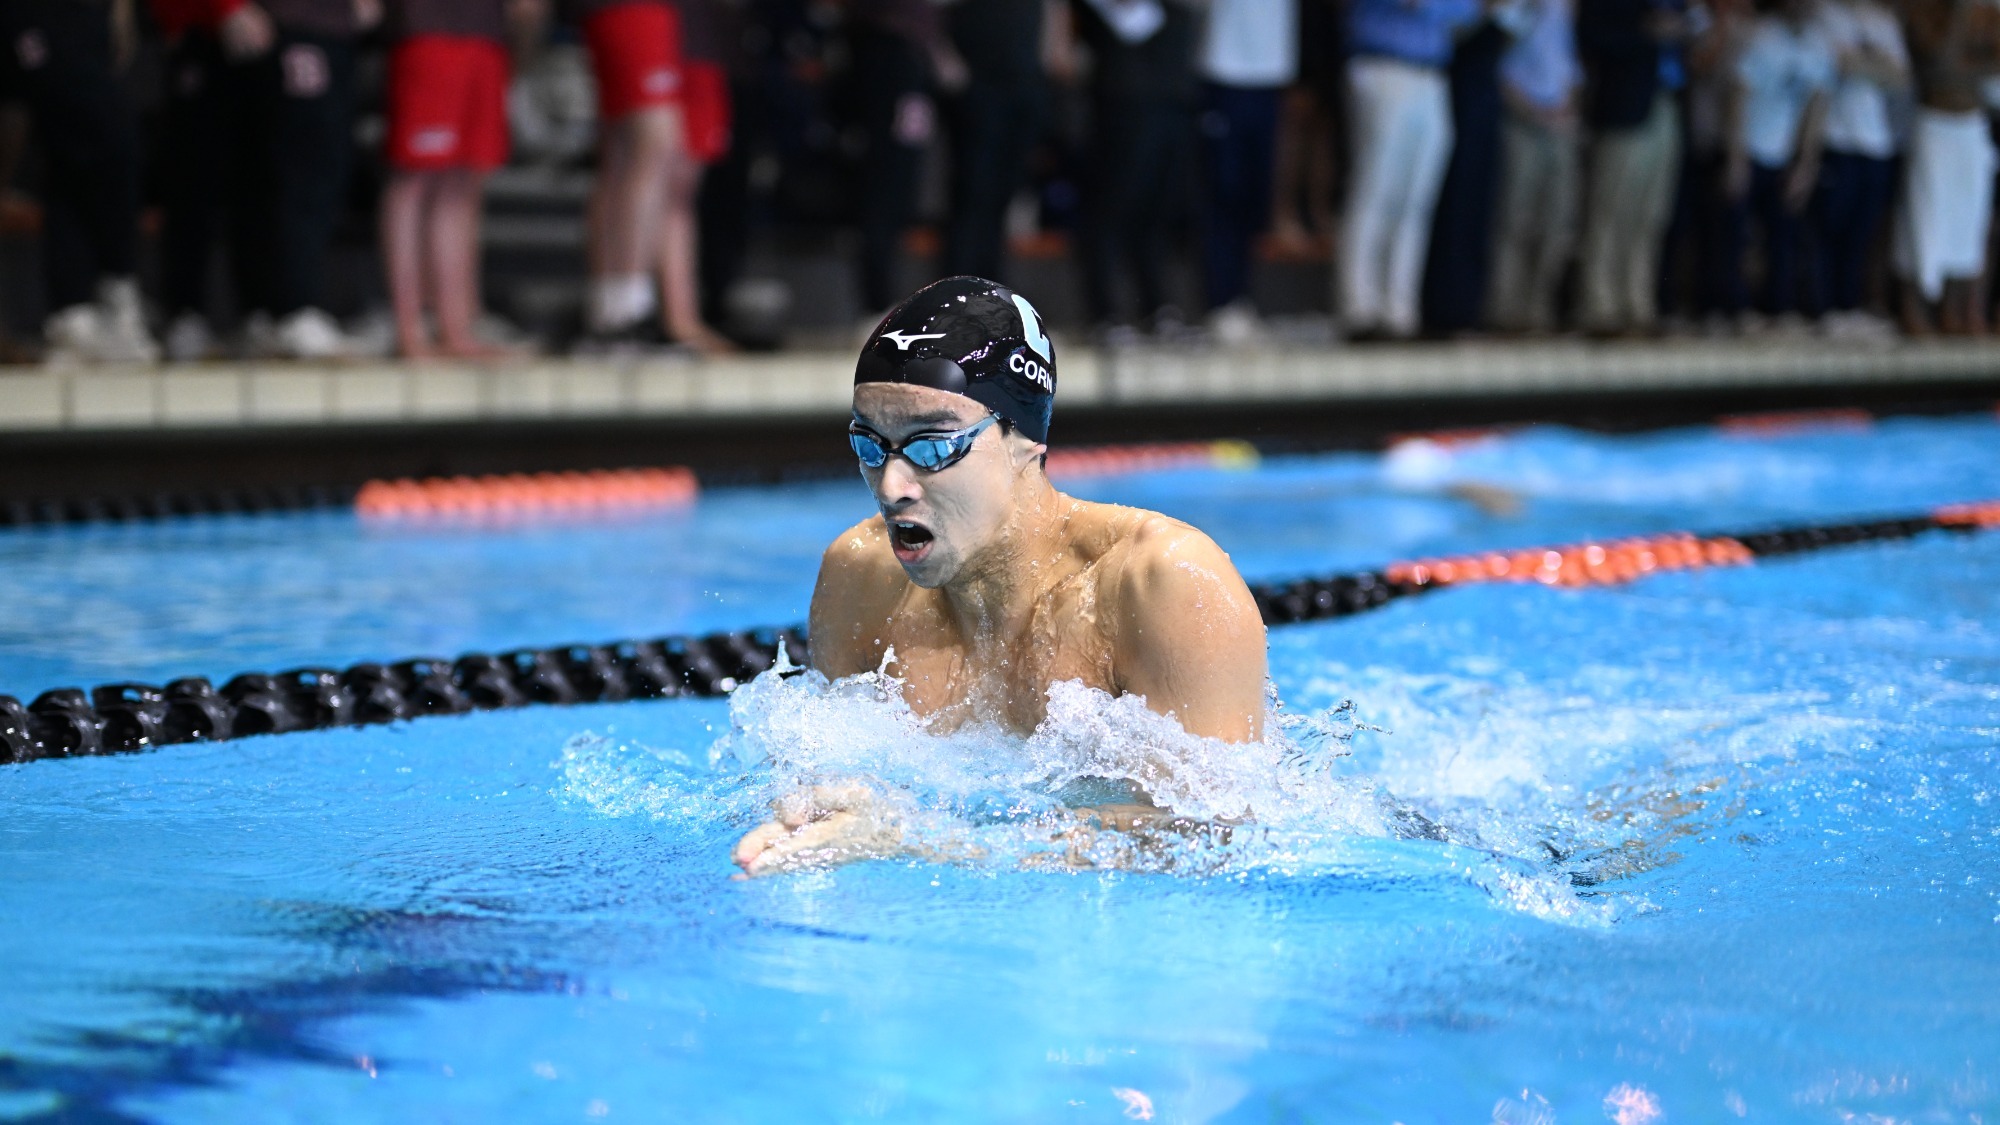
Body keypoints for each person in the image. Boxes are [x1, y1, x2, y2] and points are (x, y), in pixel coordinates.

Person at [729, 275, 1269, 878]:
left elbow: (1219, 837)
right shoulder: (861, 575)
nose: (892, 485)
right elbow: (833, 780)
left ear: (1024, 440)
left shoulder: (1159, 582)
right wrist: (813, 812)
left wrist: (917, 839)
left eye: (933, 446)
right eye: (871, 444)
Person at [0, 0, 156, 364]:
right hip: (33, 15)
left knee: (71, 155)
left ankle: (75, 310)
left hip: (84, 15)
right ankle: (114, 282)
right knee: (105, 132)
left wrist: (118, 9)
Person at [380, 0, 538, 359]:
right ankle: (408, 327)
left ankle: (455, 326)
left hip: (486, 34)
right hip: (429, 27)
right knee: (415, 178)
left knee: (462, 183)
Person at [572, 0, 731, 352]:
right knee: (646, 150)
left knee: (673, 175)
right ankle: (622, 310)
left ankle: (676, 318)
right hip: (638, 12)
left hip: (694, 29)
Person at [1338, 0, 1482, 340]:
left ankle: (1400, 311)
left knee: (1418, 200)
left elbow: (1466, 14)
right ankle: (1359, 308)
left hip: (1432, 75)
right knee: (1376, 190)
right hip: (1383, 66)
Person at [1071, 0, 1199, 337]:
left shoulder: (1175, 16)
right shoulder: (1094, 15)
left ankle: (1157, 307)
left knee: (1158, 210)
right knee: (1111, 211)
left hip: (1170, 109)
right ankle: (1105, 312)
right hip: (1121, 114)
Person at [1577, 0, 1696, 336]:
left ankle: (1638, 303)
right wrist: (1647, 32)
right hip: (1625, 108)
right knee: (1610, 210)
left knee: (1651, 214)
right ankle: (1599, 305)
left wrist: (1686, 31)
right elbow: (1592, 36)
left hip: (1667, 103)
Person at [847, 0, 966, 326]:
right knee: (883, 187)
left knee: (901, 185)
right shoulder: (887, 35)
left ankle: (886, 300)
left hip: (912, 69)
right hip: (888, 61)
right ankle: (876, 302)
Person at [1718, 0, 1834, 329]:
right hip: (1750, 149)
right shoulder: (1762, 38)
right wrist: (1735, 159)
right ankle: (1731, 310)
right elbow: (1737, 96)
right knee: (1735, 237)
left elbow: (1816, 105)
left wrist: (1806, 165)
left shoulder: (1817, 44)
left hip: (1784, 155)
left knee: (1782, 238)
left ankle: (1778, 309)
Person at [1894, 0, 2000, 335]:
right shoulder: (1923, 12)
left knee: (1966, 223)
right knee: (1925, 219)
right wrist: (1961, 15)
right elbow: (1941, 65)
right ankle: (1914, 309)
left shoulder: (1989, 15)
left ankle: (1953, 312)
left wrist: (1970, 66)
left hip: (1972, 127)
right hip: (1934, 126)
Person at [1196, 0, 1298, 343]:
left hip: (1270, 72)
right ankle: (1219, 301)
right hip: (1224, 69)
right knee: (1225, 190)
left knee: (1255, 195)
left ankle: (1240, 300)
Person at [1807, 0, 1907, 339]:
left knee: (1863, 231)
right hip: (1837, 138)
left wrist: (1861, 63)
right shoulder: (1825, 14)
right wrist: (1878, 64)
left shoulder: (1882, 21)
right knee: (1831, 226)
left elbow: (1901, 78)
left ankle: (1850, 307)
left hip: (1876, 141)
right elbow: (1837, 65)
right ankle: (1825, 309)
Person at [940, 0, 1056, 283]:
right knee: (973, 191)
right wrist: (947, 62)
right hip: (980, 87)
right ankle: (959, 286)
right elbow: (936, 16)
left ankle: (992, 287)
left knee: (1006, 193)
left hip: (1025, 88)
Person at [1486, 0, 1581, 334]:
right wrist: (1528, 110)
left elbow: (1567, 58)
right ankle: (1505, 310)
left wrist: (1569, 106)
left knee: (1556, 225)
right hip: (1521, 121)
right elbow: (1498, 59)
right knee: (1514, 219)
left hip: (1560, 124)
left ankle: (1538, 310)